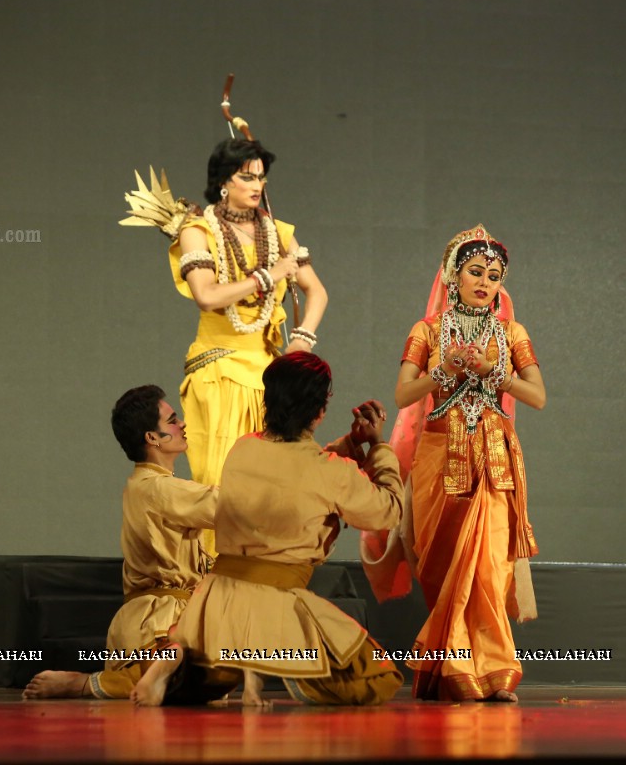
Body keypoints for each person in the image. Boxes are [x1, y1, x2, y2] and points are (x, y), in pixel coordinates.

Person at [132, 353, 404, 707]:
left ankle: (176, 656)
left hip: (211, 605)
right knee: (378, 678)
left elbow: (294, 472)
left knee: (199, 680)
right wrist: (378, 447)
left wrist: (349, 445)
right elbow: (389, 511)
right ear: (320, 410)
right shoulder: (331, 471)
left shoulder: (244, 448)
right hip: (274, 603)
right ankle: (276, 669)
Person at [394, 225, 546, 702]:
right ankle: (451, 667)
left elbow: (537, 396)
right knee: (442, 568)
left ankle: (493, 668)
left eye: (494, 276)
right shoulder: (428, 331)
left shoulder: (512, 333)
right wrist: (447, 369)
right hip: (440, 459)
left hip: (494, 460)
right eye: (475, 272)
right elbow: (404, 393)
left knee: (489, 567)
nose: (485, 282)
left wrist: (491, 371)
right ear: (452, 275)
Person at [24, 385, 237, 702]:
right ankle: (85, 683)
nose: (182, 425)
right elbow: (230, 504)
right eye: (173, 420)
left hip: (176, 612)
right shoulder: (158, 489)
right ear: (152, 438)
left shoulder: (152, 485)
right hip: (157, 622)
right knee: (192, 671)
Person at [172, 139, 329, 555]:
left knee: (267, 488)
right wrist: (269, 275)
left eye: (261, 176)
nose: (257, 184)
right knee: (220, 484)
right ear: (223, 182)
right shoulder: (196, 230)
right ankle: (209, 583)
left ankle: (257, 586)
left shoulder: (277, 231)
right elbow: (206, 295)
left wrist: (303, 340)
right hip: (218, 372)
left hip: (266, 378)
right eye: (246, 176)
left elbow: (317, 293)